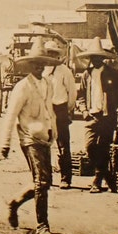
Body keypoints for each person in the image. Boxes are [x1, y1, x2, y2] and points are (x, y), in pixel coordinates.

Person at [0, 39, 60, 234]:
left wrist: (55, 133)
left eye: (42, 63)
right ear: (29, 65)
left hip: (45, 137)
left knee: (45, 182)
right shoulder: (22, 87)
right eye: (36, 63)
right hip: (29, 139)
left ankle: (15, 202)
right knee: (41, 182)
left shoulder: (48, 84)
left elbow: (51, 111)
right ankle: (42, 225)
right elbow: (10, 115)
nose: (39, 67)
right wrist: (5, 143)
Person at [76, 37, 118, 193]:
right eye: (93, 57)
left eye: (99, 57)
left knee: (104, 147)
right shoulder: (87, 74)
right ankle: (107, 177)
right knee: (90, 146)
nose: (96, 60)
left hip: (108, 116)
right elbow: (80, 95)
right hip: (92, 115)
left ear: (103, 58)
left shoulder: (113, 73)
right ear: (90, 58)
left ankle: (97, 180)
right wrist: (84, 110)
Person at [43, 40, 77, 188]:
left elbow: (72, 93)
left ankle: (65, 178)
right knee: (44, 144)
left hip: (60, 109)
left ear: (57, 56)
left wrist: (67, 110)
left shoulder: (64, 71)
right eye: (49, 53)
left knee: (63, 144)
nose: (51, 56)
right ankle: (46, 178)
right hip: (45, 111)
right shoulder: (42, 70)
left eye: (54, 54)